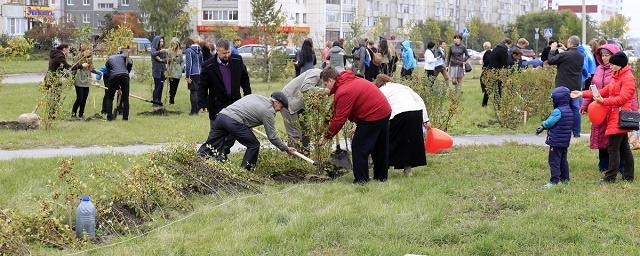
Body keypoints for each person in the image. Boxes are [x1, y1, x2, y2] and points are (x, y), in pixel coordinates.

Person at [318, 67, 392, 184]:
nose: (325, 87)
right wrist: (325, 124)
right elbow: (335, 109)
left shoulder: (344, 91)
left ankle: (361, 180)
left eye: (325, 84)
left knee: (359, 147)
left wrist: (327, 136)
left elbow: (339, 119)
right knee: (379, 146)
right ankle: (381, 177)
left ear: (331, 80)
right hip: (384, 111)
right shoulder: (347, 80)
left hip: (372, 115)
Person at [572, 52, 636, 184]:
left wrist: (603, 101)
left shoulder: (628, 78)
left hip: (619, 116)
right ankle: (628, 176)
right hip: (614, 115)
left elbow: (624, 98)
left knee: (612, 148)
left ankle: (610, 177)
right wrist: (582, 93)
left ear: (619, 65)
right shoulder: (616, 77)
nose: (610, 66)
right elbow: (604, 91)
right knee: (624, 148)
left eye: (612, 64)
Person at [197, 93, 296, 170]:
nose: (280, 110)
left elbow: (245, 110)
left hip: (221, 117)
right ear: (277, 102)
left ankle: (195, 161)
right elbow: (273, 137)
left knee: (212, 144)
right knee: (254, 145)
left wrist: (246, 123)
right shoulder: (268, 112)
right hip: (234, 122)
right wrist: (286, 148)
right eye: (281, 107)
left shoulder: (255, 97)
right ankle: (245, 172)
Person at [373, 74, 429, 177]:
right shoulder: (402, 87)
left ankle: (383, 170)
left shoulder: (381, 90)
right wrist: (425, 120)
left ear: (378, 83)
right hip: (415, 112)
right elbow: (419, 100)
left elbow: (377, 107)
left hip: (398, 114)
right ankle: (408, 170)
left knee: (387, 142)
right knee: (409, 142)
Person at [199, 38, 251, 118]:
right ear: (217, 51)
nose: (227, 55)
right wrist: (203, 103)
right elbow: (203, 86)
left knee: (235, 129)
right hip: (216, 106)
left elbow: (245, 80)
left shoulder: (237, 60)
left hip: (235, 104)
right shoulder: (208, 66)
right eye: (224, 53)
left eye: (228, 52)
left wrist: (247, 96)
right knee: (217, 130)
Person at [535, 86, 575, 189]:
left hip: (556, 141)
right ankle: (565, 179)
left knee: (554, 161)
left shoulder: (558, 111)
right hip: (565, 142)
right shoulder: (569, 110)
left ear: (557, 100)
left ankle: (554, 181)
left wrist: (542, 125)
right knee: (563, 160)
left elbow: (550, 122)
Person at [547, 35, 585, 138]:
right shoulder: (581, 55)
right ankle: (576, 132)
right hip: (576, 85)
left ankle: (562, 129)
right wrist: (565, 49)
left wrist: (552, 50)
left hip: (563, 86)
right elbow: (570, 57)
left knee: (561, 108)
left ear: (569, 42)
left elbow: (551, 60)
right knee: (575, 108)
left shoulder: (566, 55)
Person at [281, 68, 323, 149]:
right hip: (288, 101)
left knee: (306, 131)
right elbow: (305, 88)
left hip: (301, 105)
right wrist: (324, 91)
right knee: (294, 134)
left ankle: (306, 158)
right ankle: (294, 160)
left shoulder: (324, 81)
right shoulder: (316, 73)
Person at [102, 48, 133, 121]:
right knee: (126, 98)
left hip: (114, 76)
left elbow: (109, 71)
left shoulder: (110, 59)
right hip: (125, 76)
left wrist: (116, 86)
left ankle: (109, 117)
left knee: (110, 97)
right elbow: (130, 63)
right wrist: (127, 71)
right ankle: (125, 118)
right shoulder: (124, 56)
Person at [71, 43, 100, 118]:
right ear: (82, 50)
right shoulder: (77, 58)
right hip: (79, 80)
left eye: (89, 50)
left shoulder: (89, 58)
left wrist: (98, 72)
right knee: (80, 98)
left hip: (87, 80)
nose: (89, 51)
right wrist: (71, 79)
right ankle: (73, 114)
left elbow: (91, 69)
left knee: (84, 98)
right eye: (87, 49)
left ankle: (81, 114)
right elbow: (73, 68)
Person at [184, 37, 203, 115]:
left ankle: (193, 111)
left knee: (193, 92)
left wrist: (187, 76)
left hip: (192, 73)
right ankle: (197, 111)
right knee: (198, 92)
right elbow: (202, 63)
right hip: (200, 73)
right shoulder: (200, 51)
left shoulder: (189, 50)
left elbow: (189, 64)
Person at [150, 36, 167, 108]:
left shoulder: (163, 50)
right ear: (157, 42)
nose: (161, 43)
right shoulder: (153, 49)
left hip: (163, 71)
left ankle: (159, 101)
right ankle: (155, 102)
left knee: (161, 87)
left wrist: (162, 60)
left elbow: (166, 60)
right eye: (160, 41)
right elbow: (154, 54)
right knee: (157, 86)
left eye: (162, 41)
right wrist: (160, 52)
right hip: (156, 71)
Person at [166, 37, 184, 105]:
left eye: (175, 44)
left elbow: (182, 61)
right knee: (171, 86)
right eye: (173, 44)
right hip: (171, 71)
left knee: (175, 87)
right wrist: (171, 59)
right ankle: (171, 100)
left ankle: (173, 98)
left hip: (178, 72)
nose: (174, 45)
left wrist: (181, 68)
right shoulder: (169, 51)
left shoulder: (180, 52)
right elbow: (167, 61)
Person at [480, 41, 492, 107]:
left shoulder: (487, 53)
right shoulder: (490, 52)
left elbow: (486, 61)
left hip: (487, 70)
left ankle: (484, 104)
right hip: (489, 70)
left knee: (487, 86)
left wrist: (484, 67)